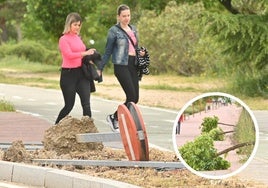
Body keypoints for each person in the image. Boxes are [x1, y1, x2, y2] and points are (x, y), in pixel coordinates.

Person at [98, 4, 145, 132]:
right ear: (118, 17)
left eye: (128, 15)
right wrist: (100, 67)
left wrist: (140, 52)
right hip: (121, 66)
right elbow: (108, 51)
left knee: (135, 99)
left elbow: (135, 46)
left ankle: (116, 118)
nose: (126, 18)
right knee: (130, 95)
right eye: (124, 16)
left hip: (133, 64)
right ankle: (115, 118)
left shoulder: (133, 29)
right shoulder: (113, 31)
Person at [55, 12, 95, 124]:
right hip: (68, 75)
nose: (77, 27)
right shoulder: (63, 39)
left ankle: (88, 133)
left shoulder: (78, 37)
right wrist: (84, 53)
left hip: (81, 73)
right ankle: (55, 129)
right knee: (69, 105)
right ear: (69, 25)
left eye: (79, 25)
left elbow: (81, 53)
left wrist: (90, 57)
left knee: (86, 104)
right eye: (75, 25)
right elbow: (69, 55)